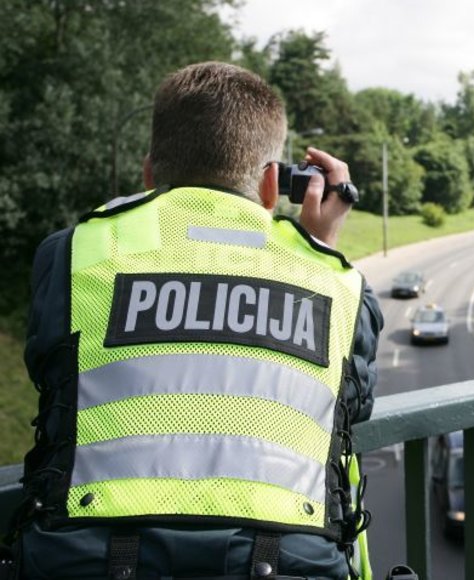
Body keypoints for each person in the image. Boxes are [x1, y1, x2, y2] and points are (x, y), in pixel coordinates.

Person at [13, 62, 383, 579]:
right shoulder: (339, 284)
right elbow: (350, 403)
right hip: (284, 561)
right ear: (274, 182)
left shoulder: (70, 255)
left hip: (88, 557)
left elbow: (49, 374)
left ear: (148, 173)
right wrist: (320, 250)